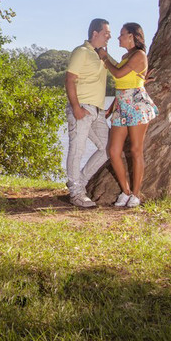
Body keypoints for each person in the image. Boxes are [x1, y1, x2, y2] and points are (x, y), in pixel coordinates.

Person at [97, 22, 158, 207]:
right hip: (121, 103)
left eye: (122, 34)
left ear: (131, 36)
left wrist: (104, 58)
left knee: (135, 150)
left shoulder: (139, 55)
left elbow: (119, 73)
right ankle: (125, 191)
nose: (118, 37)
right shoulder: (126, 55)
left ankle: (136, 195)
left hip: (136, 104)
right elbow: (122, 80)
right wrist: (113, 105)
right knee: (114, 151)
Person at [63, 18, 111, 208]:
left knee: (107, 149)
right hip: (82, 107)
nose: (109, 36)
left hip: (98, 111)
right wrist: (76, 107)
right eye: (106, 33)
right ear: (95, 34)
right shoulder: (81, 52)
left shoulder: (100, 55)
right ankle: (75, 193)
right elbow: (70, 79)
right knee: (77, 149)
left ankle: (79, 183)